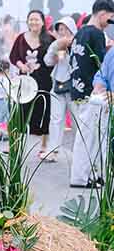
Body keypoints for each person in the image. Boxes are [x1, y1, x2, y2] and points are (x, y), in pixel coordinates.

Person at [69, 0, 114, 188]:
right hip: (93, 95)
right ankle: (82, 177)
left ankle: (89, 175)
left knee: (88, 138)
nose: (109, 23)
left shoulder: (79, 33)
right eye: (110, 18)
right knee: (90, 139)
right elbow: (102, 66)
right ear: (102, 14)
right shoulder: (97, 35)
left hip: (79, 91)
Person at [9, 10, 54, 160]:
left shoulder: (50, 39)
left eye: (37, 20)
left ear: (43, 22)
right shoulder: (21, 38)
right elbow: (13, 56)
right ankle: (15, 146)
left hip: (44, 81)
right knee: (19, 112)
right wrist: (21, 65)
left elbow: (58, 56)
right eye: (31, 19)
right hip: (25, 82)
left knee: (44, 111)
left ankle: (44, 146)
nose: (33, 22)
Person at [45, 17, 78, 158]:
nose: (63, 32)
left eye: (66, 29)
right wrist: (56, 50)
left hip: (75, 86)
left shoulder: (78, 43)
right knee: (56, 119)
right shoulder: (55, 44)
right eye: (60, 30)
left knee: (77, 119)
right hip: (58, 84)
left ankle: (80, 150)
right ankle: (53, 150)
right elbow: (47, 61)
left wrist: (69, 48)